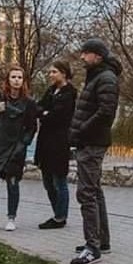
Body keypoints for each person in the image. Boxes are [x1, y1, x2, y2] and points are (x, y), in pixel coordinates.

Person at [68, 38, 122, 264]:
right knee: (95, 191)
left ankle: (93, 247)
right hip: (88, 141)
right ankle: (102, 242)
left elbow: (106, 112)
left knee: (86, 193)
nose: (82, 57)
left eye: (86, 53)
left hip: (92, 143)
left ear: (97, 56)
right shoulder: (98, 76)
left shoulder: (106, 78)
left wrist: (82, 128)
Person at [0, 64, 37, 232]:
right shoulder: (0, 98)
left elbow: (32, 127)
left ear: (23, 81)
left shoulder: (29, 103)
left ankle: (11, 218)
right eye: (13, 77)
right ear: (8, 80)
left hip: (15, 148)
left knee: (12, 184)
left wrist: (23, 143)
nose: (16, 80)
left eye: (19, 77)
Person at [34, 60, 78, 229]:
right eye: (50, 72)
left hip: (59, 142)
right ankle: (56, 213)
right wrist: (44, 112)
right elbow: (39, 107)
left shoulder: (69, 94)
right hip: (45, 141)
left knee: (59, 181)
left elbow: (57, 117)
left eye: (54, 72)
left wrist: (45, 114)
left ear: (63, 73)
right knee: (47, 182)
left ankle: (60, 217)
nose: (50, 75)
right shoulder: (52, 91)